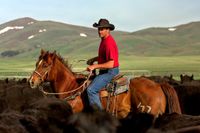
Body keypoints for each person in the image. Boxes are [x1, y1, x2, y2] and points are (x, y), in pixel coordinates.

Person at [86, 18, 119, 110]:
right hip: (105, 71)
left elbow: (111, 63)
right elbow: (105, 57)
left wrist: (94, 66)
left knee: (91, 90)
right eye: (99, 29)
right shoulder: (104, 40)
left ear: (108, 30)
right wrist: (94, 59)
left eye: (102, 29)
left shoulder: (109, 43)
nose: (99, 31)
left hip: (110, 72)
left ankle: (101, 116)